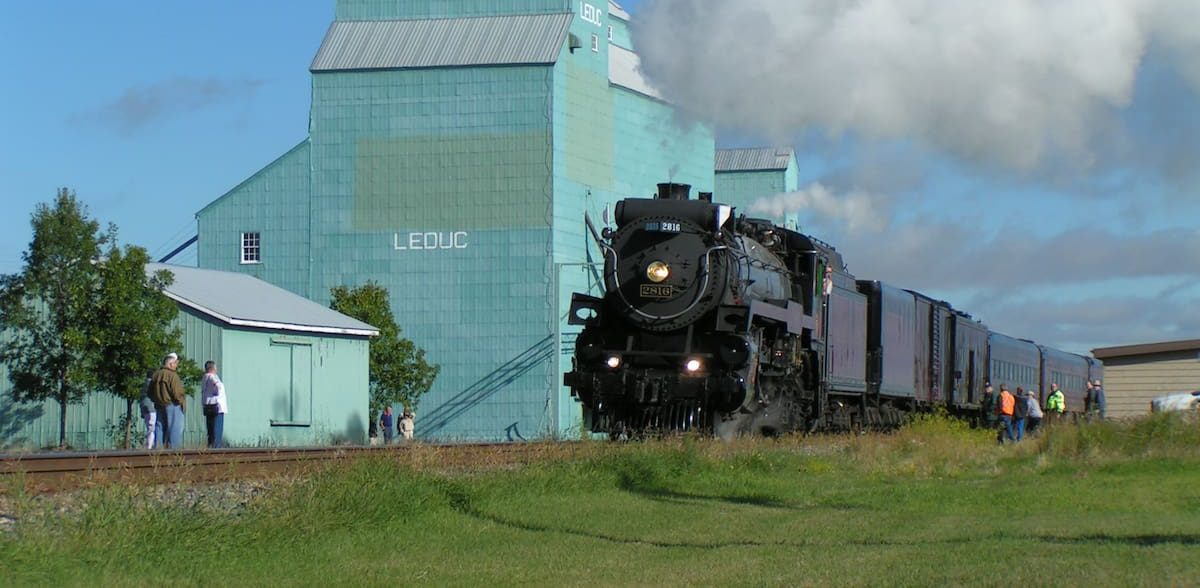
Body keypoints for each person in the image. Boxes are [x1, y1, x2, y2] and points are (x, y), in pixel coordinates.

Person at [149, 352, 186, 449]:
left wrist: (156, 400)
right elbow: (177, 393)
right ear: (170, 364)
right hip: (172, 404)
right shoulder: (172, 375)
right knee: (174, 428)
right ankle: (174, 451)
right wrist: (181, 401)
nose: (176, 366)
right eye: (175, 364)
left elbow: (149, 392)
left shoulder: (156, 375)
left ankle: (158, 450)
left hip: (159, 405)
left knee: (159, 427)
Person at [200, 360, 227, 449]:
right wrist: (217, 393)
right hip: (217, 406)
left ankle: (211, 446)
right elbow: (218, 386)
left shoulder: (204, 378)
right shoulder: (212, 377)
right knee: (217, 430)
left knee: (210, 429)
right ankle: (216, 447)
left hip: (208, 406)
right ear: (213, 368)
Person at [138, 370, 156, 449]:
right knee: (152, 428)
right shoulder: (151, 384)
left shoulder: (144, 384)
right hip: (151, 408)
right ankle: (149, 446)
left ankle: (149, 445)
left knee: (149, 427)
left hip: (144, 408)